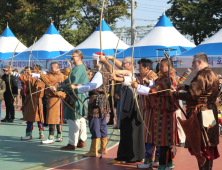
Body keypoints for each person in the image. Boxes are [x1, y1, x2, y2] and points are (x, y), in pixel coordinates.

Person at [170, 53, 220, 170]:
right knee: (207, 144)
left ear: (199, 62)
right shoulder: (213, 74)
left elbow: (192, 95)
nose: (192, 66)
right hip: (209, 111)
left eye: (193, 63)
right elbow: (203, 91)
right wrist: (186, 87)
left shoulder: (201, 75)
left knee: (201, 145)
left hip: (201, 114)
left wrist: (175, 94)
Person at [132, 58, 179, 170]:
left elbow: (154, 91)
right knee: (164, 139)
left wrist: (138, 87)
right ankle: (166, 163)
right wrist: (148, 83)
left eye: (162, 66)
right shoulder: (165, 77)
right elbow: (155, 85)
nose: (159, 68)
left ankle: (163, 164)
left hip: (164, 112)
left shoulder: (168, 79)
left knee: (163, 140)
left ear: (168, 67)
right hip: (161, 112)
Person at [100, 56, 145, 163]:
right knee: (129, 129)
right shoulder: (131, 71)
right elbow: (119, 67)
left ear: (130, 65)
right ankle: (135, 156)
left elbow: (113, 70)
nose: (122, 65)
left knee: (129, 129)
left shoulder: (134, 73)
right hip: (130, 104)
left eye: (124, 63)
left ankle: (128, 157)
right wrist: (111, 58)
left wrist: (104, 61)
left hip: (132, 105)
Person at [70, 52, 110, 157]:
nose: (92, 62)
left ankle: (94, 151)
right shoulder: (104, 72)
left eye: (94, 60)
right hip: (102, 102)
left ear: (98, 61)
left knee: (95, 126)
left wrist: (77, 87)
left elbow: (92, 85)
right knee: (101, 125)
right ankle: (102, 148)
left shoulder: (100, 73)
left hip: (96, 103)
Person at [50, 50, 88, 150]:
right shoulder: (78, 68)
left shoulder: (78, 68)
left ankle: (73, 144)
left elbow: (72, 85)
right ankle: (81, 141)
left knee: (74, 120)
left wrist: (57, 88)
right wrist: (64, 81)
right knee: (80, 120)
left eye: (74, 56)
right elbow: (70, 82)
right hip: (78, 97)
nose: (72, 58)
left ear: (79, 57)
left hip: (75, 97)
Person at [134, 58, 160, 169]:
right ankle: (154, 160)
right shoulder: (144, 76)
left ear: (147, 68)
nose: (139, 70)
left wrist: (140, 85)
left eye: (141, 68)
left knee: (150, 135)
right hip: (150, 109)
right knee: (152, 134)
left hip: (153, 109)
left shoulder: (152, 76)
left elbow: (152, 88)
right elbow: (127, 74)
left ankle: (150, 160)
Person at [10, 65, 46, 140]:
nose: (32, 70)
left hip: (34, 100)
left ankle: (29, 135)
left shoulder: (41, 77)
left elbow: (25, 78)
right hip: (34, 99)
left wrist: (30, 75)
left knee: (31, 117)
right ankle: (41, 134)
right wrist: (12, 72)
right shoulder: (37, 77)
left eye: (34, 69)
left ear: (38, 71)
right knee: (39, 117)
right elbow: (22, 76)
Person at [40, 62, 65, 144]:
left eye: (52, 68)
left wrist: (41, 74)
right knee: (57, 118)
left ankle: (51, 137)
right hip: (53, 98)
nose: (51, 69)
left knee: (52, 117)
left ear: (56, 67)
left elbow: (49, 79)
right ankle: (59, 136)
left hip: (55, 98)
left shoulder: (59, 75)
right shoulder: (54, 74)